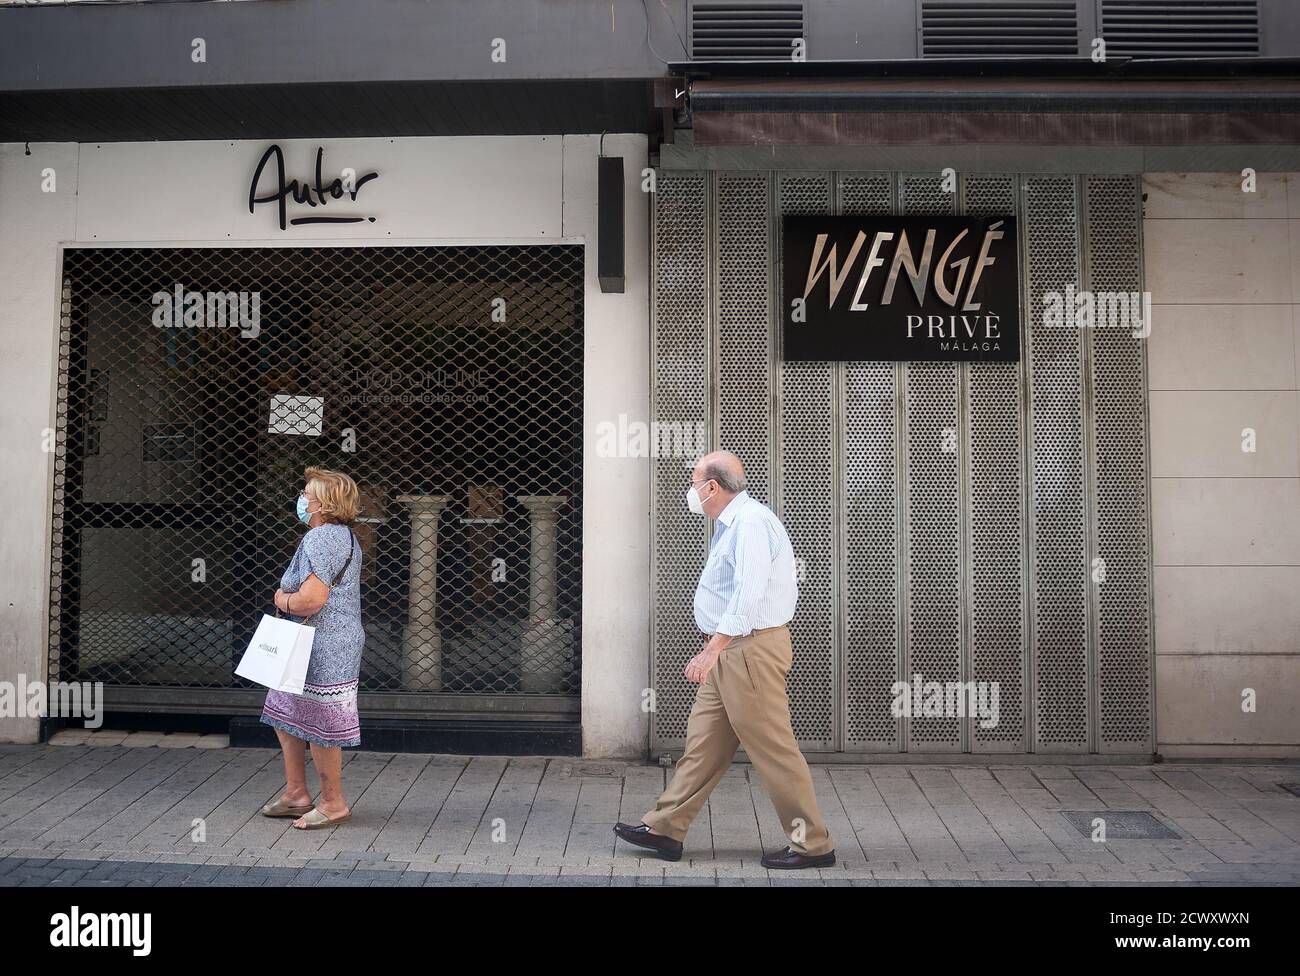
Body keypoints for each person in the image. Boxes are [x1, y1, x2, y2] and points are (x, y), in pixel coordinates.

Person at [614, 451, 836, 869]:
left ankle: (813, 845)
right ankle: (665, 829)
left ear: (712, 487)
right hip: (732, 651)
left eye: (694, 481)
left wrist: (712, 649)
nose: (691, 490)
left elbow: (748, 595)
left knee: (774, 750)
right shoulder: (732, 523)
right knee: (703, 745)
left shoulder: (749, 524)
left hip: (746, 651)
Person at [258, 466, 364, 830]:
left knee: (322, 724)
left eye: (306, 493)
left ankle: (333, 803)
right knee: (285, 712)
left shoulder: (322, 539)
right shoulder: (340, 536)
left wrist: (281, 599)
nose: (301, 499)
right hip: (312, 641)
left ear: (324, 503)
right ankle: (296, 794)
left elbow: (311, 600)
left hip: (325, 644)